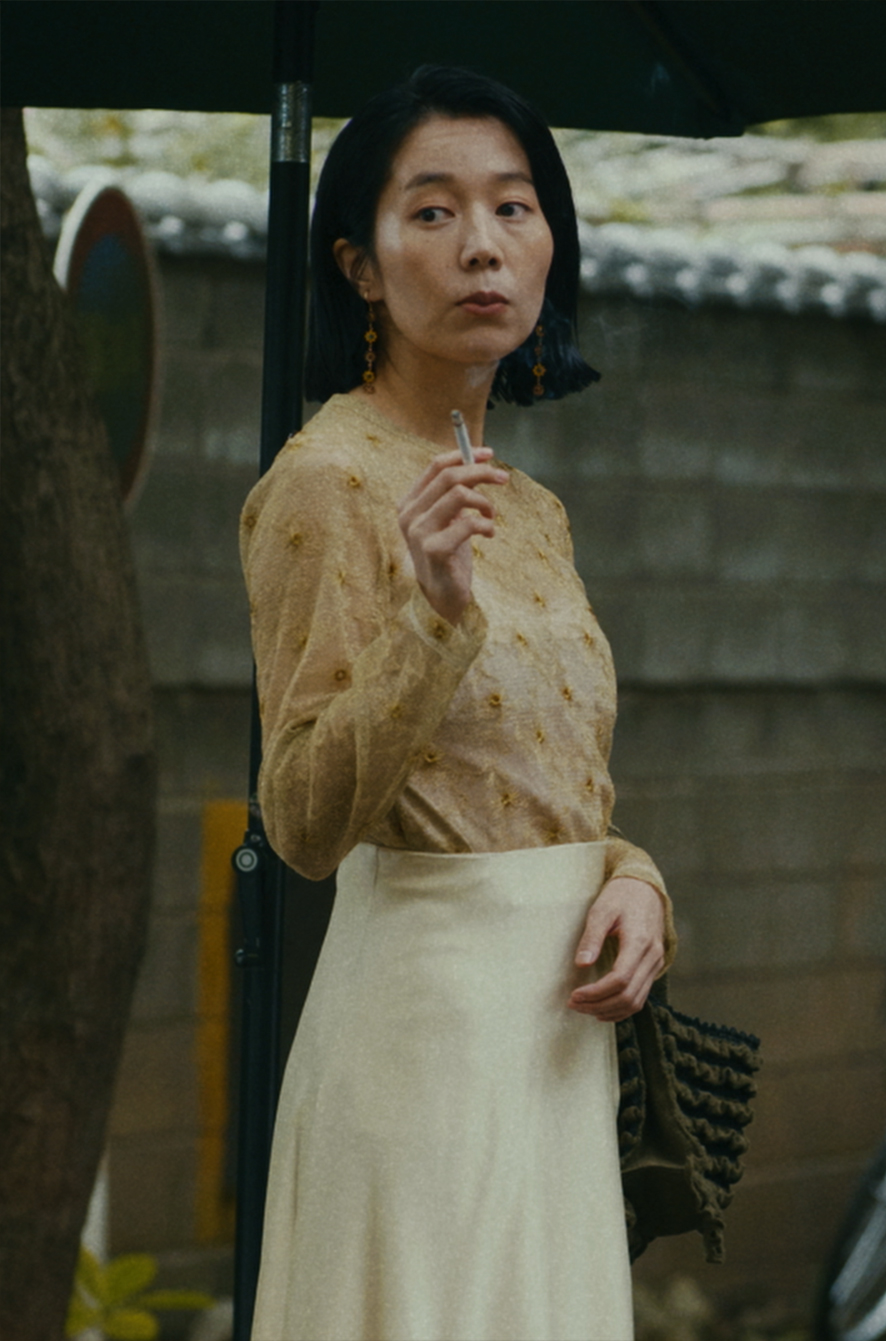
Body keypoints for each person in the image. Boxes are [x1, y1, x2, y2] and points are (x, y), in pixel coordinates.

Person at [240, 66, 672, 1341]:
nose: (482, 244)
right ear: (359, 266)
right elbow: (302, 823)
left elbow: (547, 783)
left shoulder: (530, 507)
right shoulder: (325, 481)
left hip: (558, 1050)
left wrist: (636, 879)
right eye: (432, 211)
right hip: (422, 1046)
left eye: (513, 207)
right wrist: (429, 614)